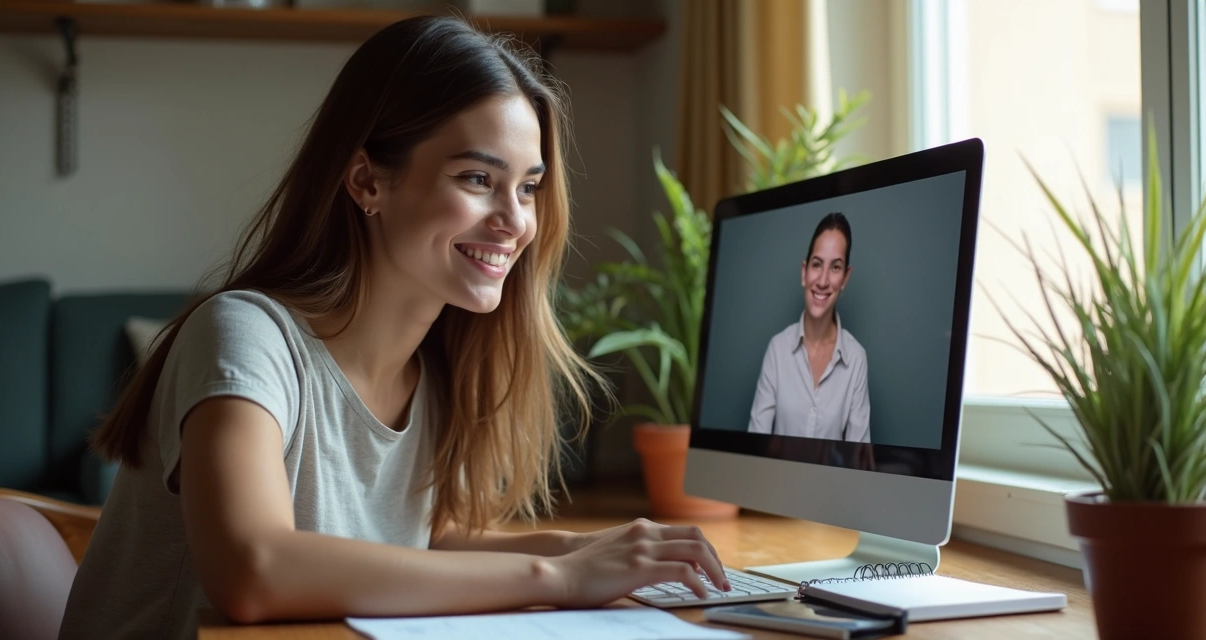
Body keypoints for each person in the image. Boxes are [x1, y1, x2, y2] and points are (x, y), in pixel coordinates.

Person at [57, 16, 730, 640]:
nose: (515, 220)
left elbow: (419, 542)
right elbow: (254, 570)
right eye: (477, 178)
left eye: (527, 187)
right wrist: (560, 577)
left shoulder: (437, 369)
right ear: (366, 182)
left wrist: (584, 548)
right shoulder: (245, 335)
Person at [747, 213, 870, 442]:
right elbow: (755, 445)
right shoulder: (778, 349)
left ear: (845, 278)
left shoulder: (856, 359)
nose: (822, 280)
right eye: (817, 264)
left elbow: (859, 464)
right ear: (804, 272)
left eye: (835, 267)